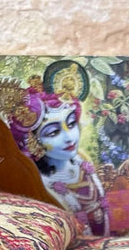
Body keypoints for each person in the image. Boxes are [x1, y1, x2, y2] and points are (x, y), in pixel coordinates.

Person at [8, 90, 110, 237]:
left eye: (72, 123)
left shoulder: (81, 161)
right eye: (53, 132)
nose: (69, 137)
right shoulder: (38, 183)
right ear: (31, 142)